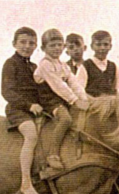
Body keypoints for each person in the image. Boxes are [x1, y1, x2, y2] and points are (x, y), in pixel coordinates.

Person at [34, 28, 89, 170]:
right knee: (66, 119)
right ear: (43, 48)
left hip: (61, 99)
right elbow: (59, 86)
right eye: (52, 45)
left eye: (59, 45)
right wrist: (75, 101)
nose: (56, 48)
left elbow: (74, 83)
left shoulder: (63, 66)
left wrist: (85, 99)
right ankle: (53, 154)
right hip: (48, 100)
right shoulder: (45, 64)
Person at [1, 26, 43, 194]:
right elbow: (7, 92)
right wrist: (29, 105)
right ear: (14, 44)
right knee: (31, 135)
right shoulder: (10, 64)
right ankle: (26, 183)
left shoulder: (34, 66)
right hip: (18, 110)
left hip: (35, 109)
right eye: (23, 42)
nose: (27, 46)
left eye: (31, 43)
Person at [78, 30, 119, 97]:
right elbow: (79, 91)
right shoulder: (85, 66)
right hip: (92, 105)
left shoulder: (113, 66)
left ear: (110, 46)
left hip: (110, 104)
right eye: (98, 44)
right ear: (92, 46)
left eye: (105, 44)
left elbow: (118, 89)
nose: (102, 48)